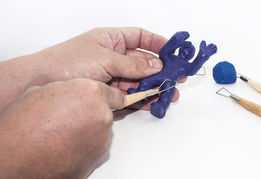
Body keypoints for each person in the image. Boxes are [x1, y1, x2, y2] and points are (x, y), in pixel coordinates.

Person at [0, 27, 181, 178]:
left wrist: (40, 69)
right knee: (145, 86)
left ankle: (159, 105)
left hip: (166, 83)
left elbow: (193, 66)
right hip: (151, 82)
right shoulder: (169, 57)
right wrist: (20, 160)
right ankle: (140, 94)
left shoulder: (182, 66)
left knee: (165, 94)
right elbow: (165, 51)